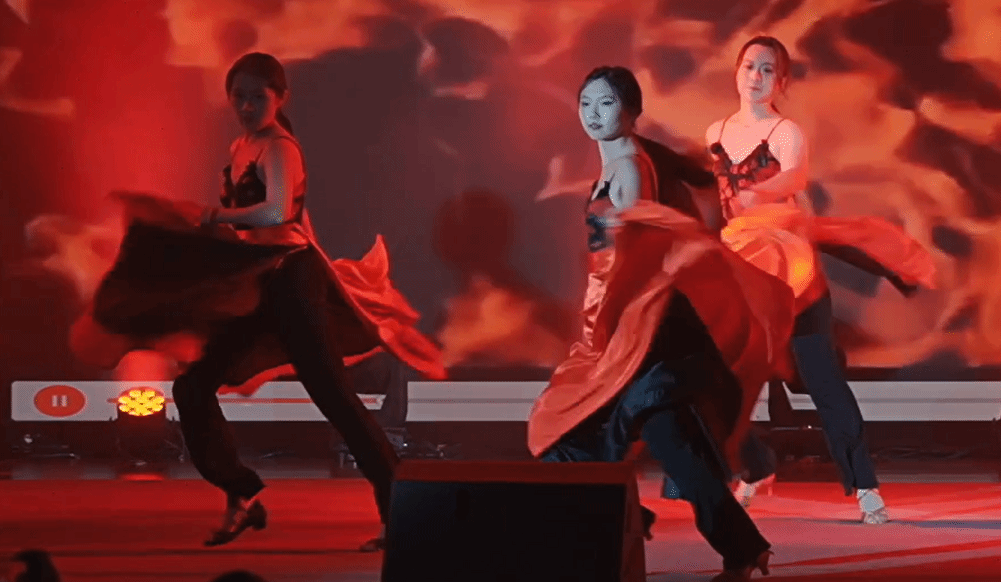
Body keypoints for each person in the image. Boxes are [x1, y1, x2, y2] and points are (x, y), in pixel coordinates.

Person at [68, 52, 445, 550]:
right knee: (193, 387)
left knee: (335, 398)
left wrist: (208, 216)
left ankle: (401, 515)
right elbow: (259, 224)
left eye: (257, 97)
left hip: (294, 281)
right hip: (259, 281)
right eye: (239, 97)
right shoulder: (241, 146)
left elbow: (275, 213)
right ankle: (243, 495)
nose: (246, 106)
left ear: (280, 98)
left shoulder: (281, 148)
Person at [527, 66, 784, 581]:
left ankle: (638, 520)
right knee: (672, 445)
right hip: (641, 327)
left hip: (649, 331)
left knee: (560, 429)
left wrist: (606, 327)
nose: (593, 114)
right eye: (585, 104)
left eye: (605, 104)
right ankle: (736, 546)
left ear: (631, 111)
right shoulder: (627, 162)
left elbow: (629, 255)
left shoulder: (628, 168)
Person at [706, 36, 936, 524]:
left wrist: (760, 193)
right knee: (714, 376)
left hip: (791, 271)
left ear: (781, 82)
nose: (755, 77)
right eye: (749, 66)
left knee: (823, 381)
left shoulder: (785, 132)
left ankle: (865, 485)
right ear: (736, 71)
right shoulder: (717, 131)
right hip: (742, 268)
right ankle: (756, 465)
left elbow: (794, 178)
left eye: (767, 70)